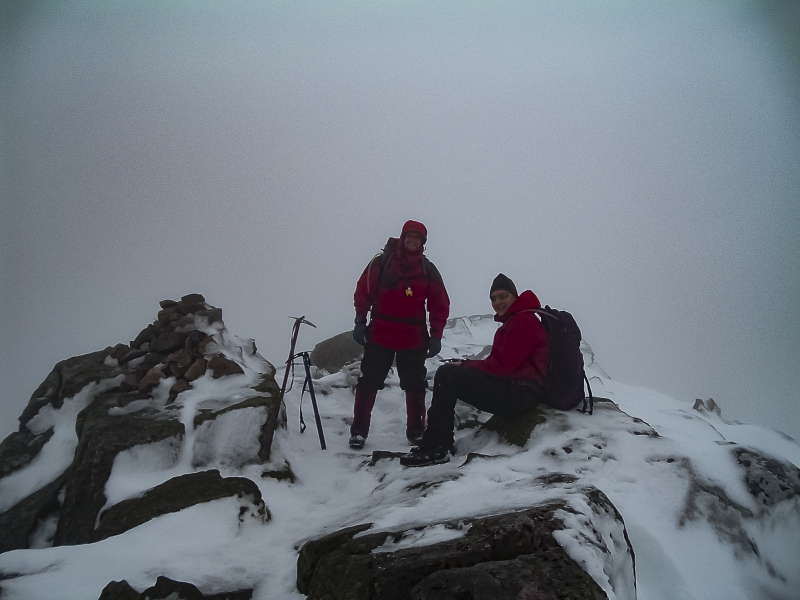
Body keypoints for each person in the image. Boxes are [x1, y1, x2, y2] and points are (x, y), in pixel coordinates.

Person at [400, 273, 548, 467]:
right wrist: (467, 365)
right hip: (518, 391)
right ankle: (439, 443)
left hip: (519, 396)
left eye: (503, 296)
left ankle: (437, 446)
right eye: (493, 298)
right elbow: (503, 364)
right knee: (450, 373)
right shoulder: (517, 321)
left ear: (515, 295)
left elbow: (502, 367)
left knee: (447, 375)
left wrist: (465, 365)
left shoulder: (523, 321)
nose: (498, 302)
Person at [350, 220, 450, 449]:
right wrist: (359, 319)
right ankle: (358, 432)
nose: (413, 241)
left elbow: (439, 303)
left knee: (415, 385)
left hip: (413, 336)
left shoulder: (428, 269)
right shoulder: (381, 262)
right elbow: (363, 290)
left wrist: (436, 335)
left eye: (418, 238)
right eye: (409, 236)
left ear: (423, 242)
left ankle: (416, 431)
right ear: (403, 238)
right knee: (369, 382)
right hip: (380, 332)